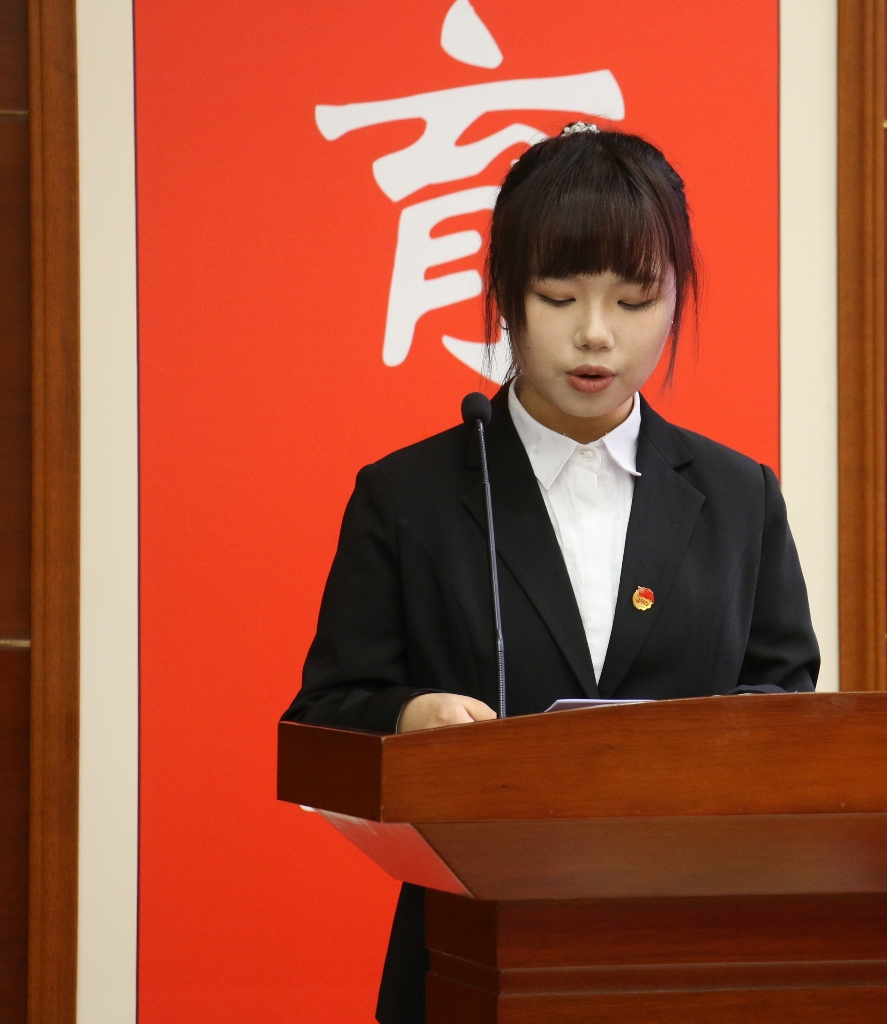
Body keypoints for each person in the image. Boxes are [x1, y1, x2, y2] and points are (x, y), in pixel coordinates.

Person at [281, 124, 820, 1024]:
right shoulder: (409, 496)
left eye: (634, 299)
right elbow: (322, 720)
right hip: (471, 959)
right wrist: (410, 718)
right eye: (559, 296)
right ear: (505, 297)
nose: (595, 334)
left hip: (694, 958)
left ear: (676, 299)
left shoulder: (739, 497)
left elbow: (788, 707)